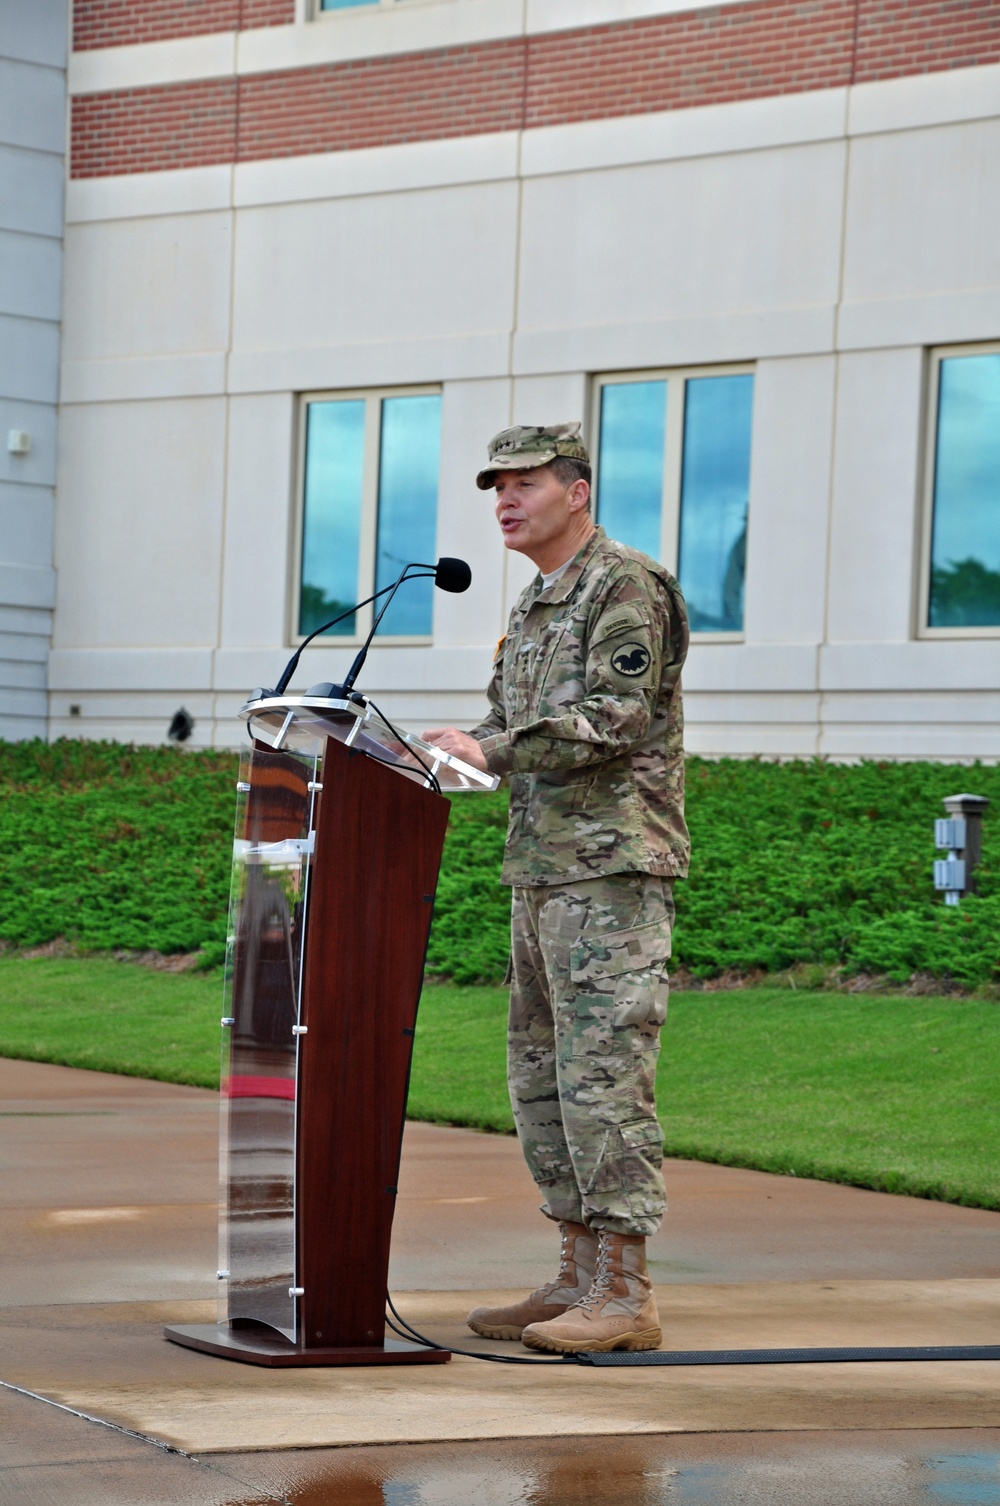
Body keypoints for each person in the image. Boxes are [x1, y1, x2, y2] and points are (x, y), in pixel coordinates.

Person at [423, 422, 689, 1355]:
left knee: (604, 1073)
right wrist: (443, 751)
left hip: (612, 871)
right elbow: (507, 723)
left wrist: (488, 746)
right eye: (495, 484)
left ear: (576, 491)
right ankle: (577, 1272)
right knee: (543, 1077)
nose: (505, 498)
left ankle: (625, 1293)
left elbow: (616, 716)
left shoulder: (624, 586)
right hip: (541, 869)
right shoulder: (536, 606)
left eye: (525, 482)